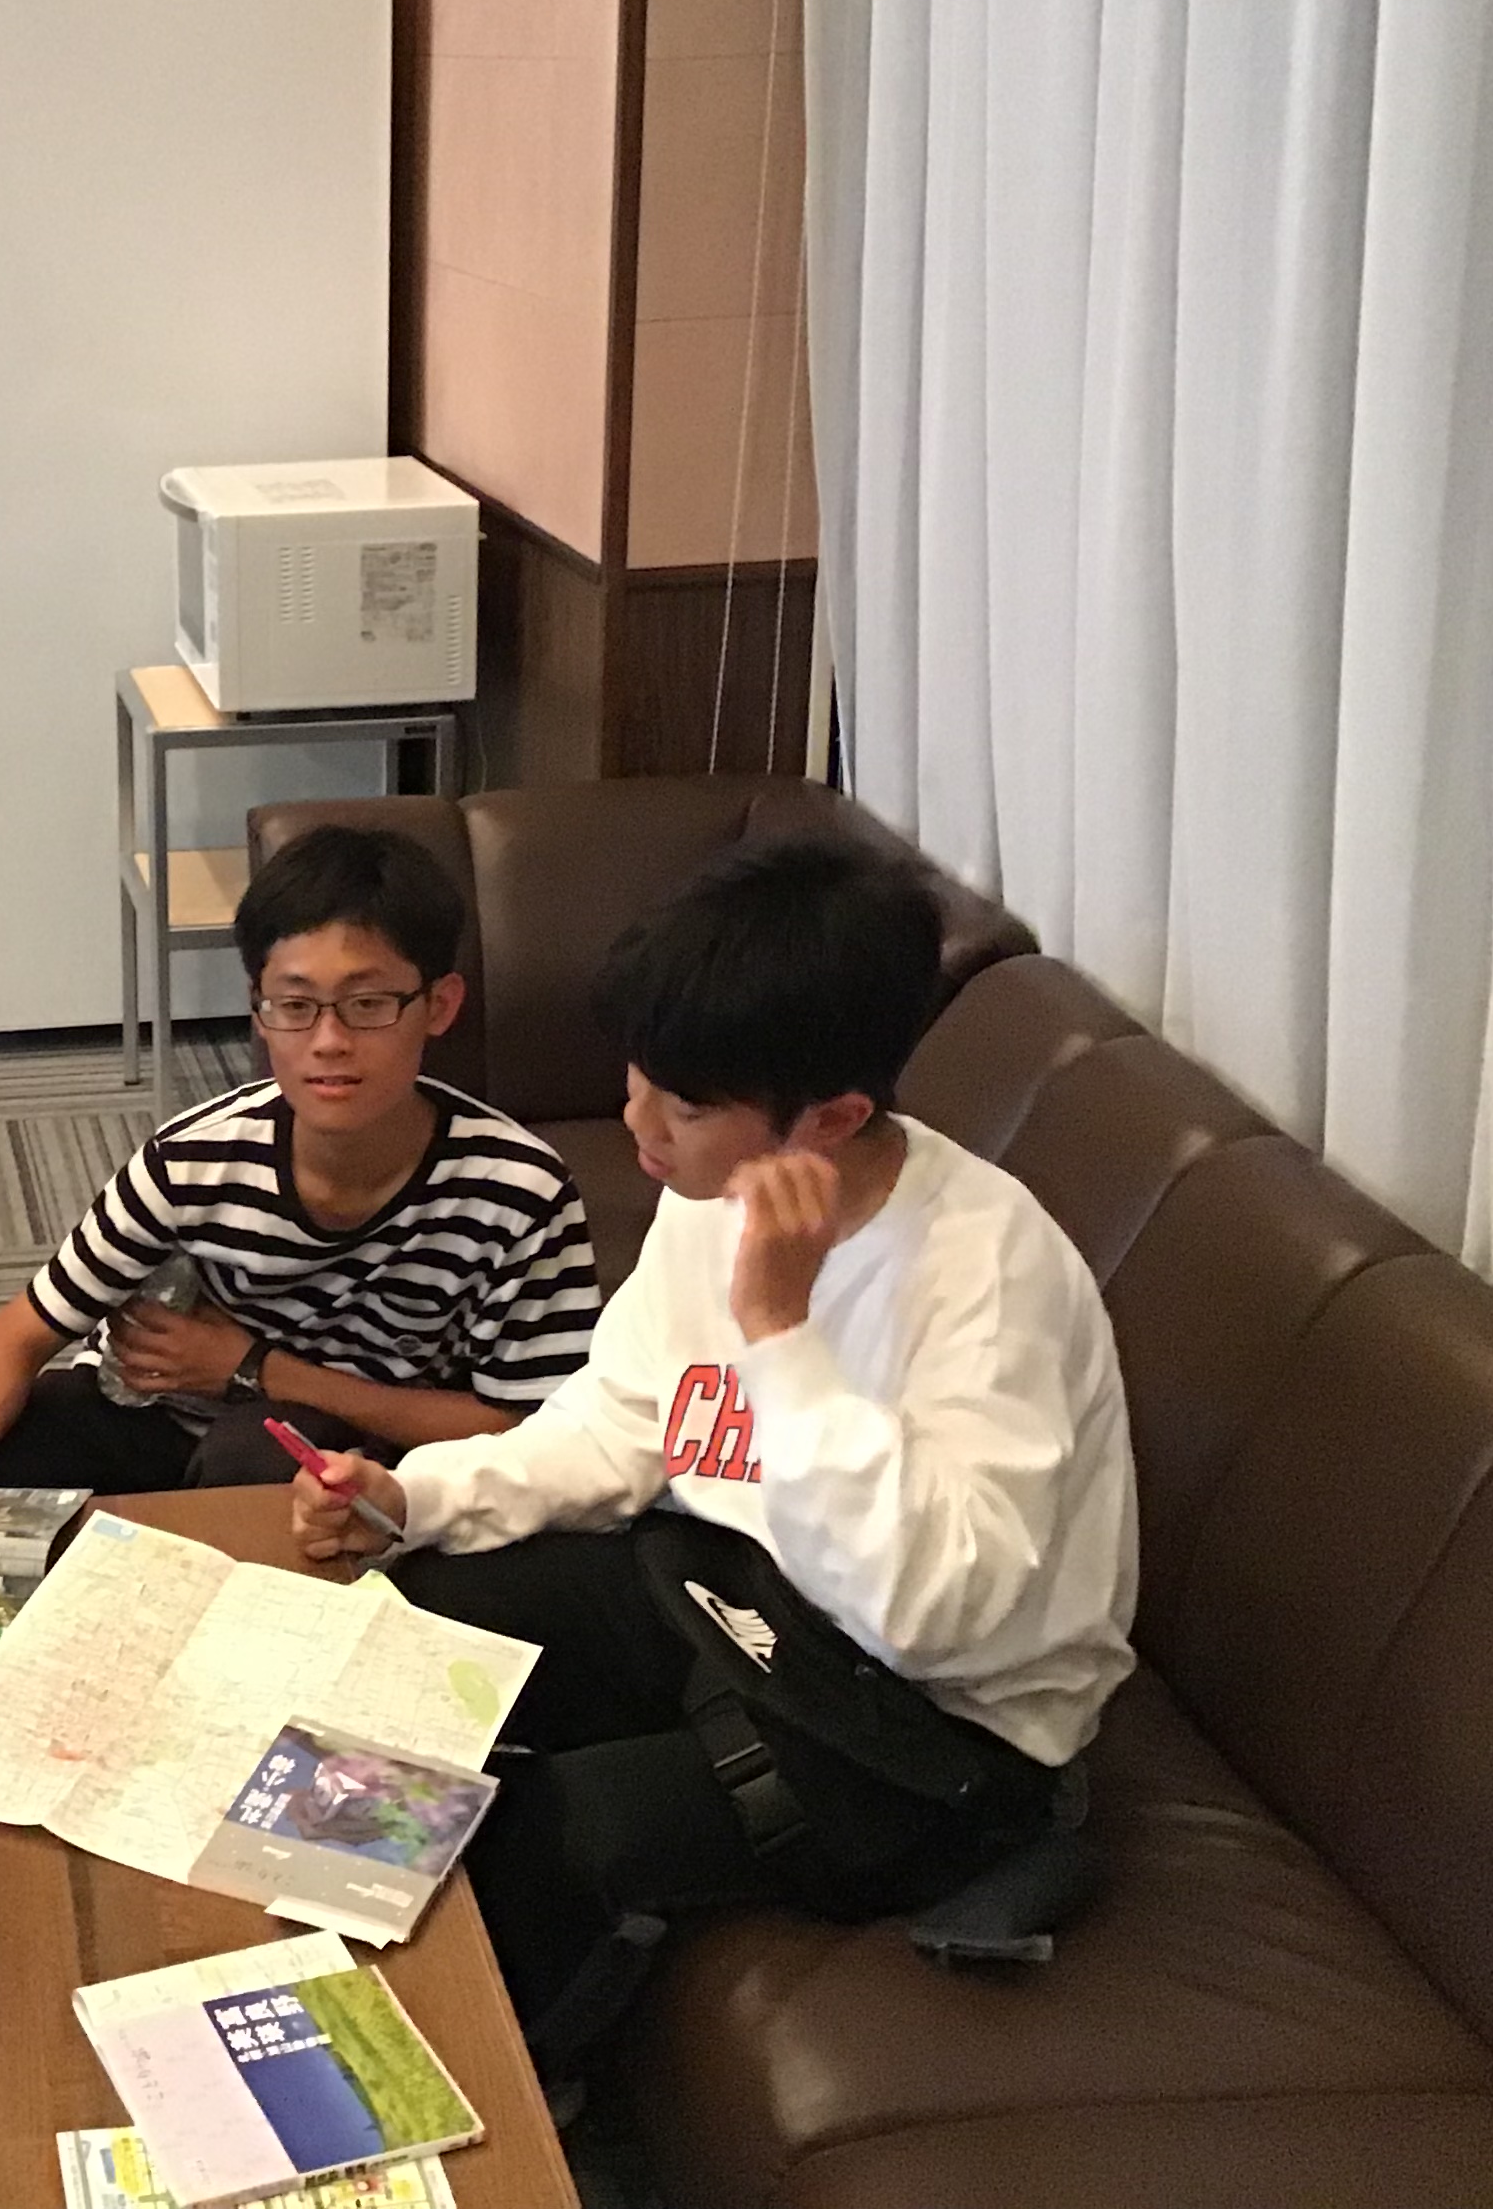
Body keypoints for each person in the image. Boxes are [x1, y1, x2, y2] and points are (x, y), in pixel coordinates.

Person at [289, 833, 1139, 2080]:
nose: (638, 1124)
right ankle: (293, 1952)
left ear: (833, 1118)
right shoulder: (713, 1201)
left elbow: (935, 1613)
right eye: (640, 1078)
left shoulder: (989, 1275)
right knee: (412, 1622)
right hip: (735, 1599)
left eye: (683, 1105)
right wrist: (413, 1497)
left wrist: (783, 1335)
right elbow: (623, 1422)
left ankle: (462, 2101)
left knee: (574, 1830)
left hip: (939, 1730)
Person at [0, 823, 598, 1503]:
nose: (329, 1041)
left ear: (439, 1004)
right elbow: (14, 1337)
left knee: (260, 1460)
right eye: (295, 1005)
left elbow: (528, 1425)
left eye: (368, 1003)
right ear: (258, 1009)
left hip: (359, 1453)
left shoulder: (520, 1194)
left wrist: (256, 1369)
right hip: (156, 1413)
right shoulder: (194, 1162)